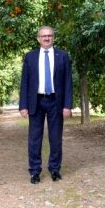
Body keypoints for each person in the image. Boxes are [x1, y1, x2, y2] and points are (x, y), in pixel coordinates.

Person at [19, 25, 73, 184]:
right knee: (34, 138)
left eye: (49, 35)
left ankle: (55, 169)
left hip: (56, 101)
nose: (47, 38)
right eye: (43, 36)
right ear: (38, 39)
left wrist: (67, 105)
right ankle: (35, 171)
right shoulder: (30, 57)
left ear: (53, 38)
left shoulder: (62, 56)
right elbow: (25, 83)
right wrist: (23, 105)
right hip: (36, 101)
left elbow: (68, 82)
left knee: (55, 138)